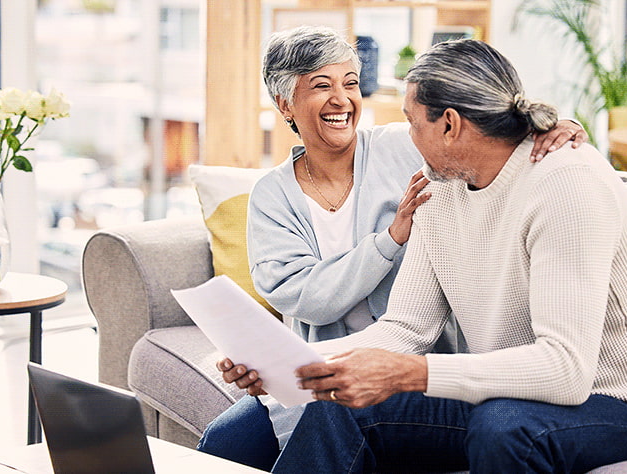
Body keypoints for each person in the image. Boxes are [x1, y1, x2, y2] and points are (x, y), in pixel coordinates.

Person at [268, 39, 627, 473]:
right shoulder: (436, 188)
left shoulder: (566, 184)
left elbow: (566, 368)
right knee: (335, 405)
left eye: (412, 124)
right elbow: (405, 328)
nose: (409, 138)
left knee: (503, 427)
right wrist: (285, 365)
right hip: (511, 395)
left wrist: (409, 374)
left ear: (450, 125)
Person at [198, 26, 589, 471]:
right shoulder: (272, 195)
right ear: (285, 103)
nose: (341, 99)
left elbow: (485, 119)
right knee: (223, 443)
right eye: (321, 86)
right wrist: (389, 242)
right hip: (331, 365)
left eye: (349, 83)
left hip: (421, 365)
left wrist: (553, 127)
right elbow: (308, 297)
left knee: (340, 421)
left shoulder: (407, 147)